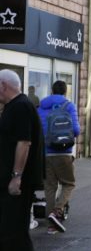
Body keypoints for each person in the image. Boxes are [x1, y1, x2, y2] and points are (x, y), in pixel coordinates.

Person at [0, 69, 44, 250]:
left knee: (13, 232)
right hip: (11, 179)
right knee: (9, 230)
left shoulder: (21, 106)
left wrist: (16, 177)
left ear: (3, 86)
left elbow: (24, 142)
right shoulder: (14, 106)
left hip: (17, 183)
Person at [38, 80, 80, 234]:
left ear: (51, 90)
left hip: (46, 153)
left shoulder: (41, 107)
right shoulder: (69, 106)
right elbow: (76, 130)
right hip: (64, 152)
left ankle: (51, 226)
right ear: (65, 91)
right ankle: (57, 211)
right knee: (69, 183)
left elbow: (37, 131)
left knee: (50, 187)